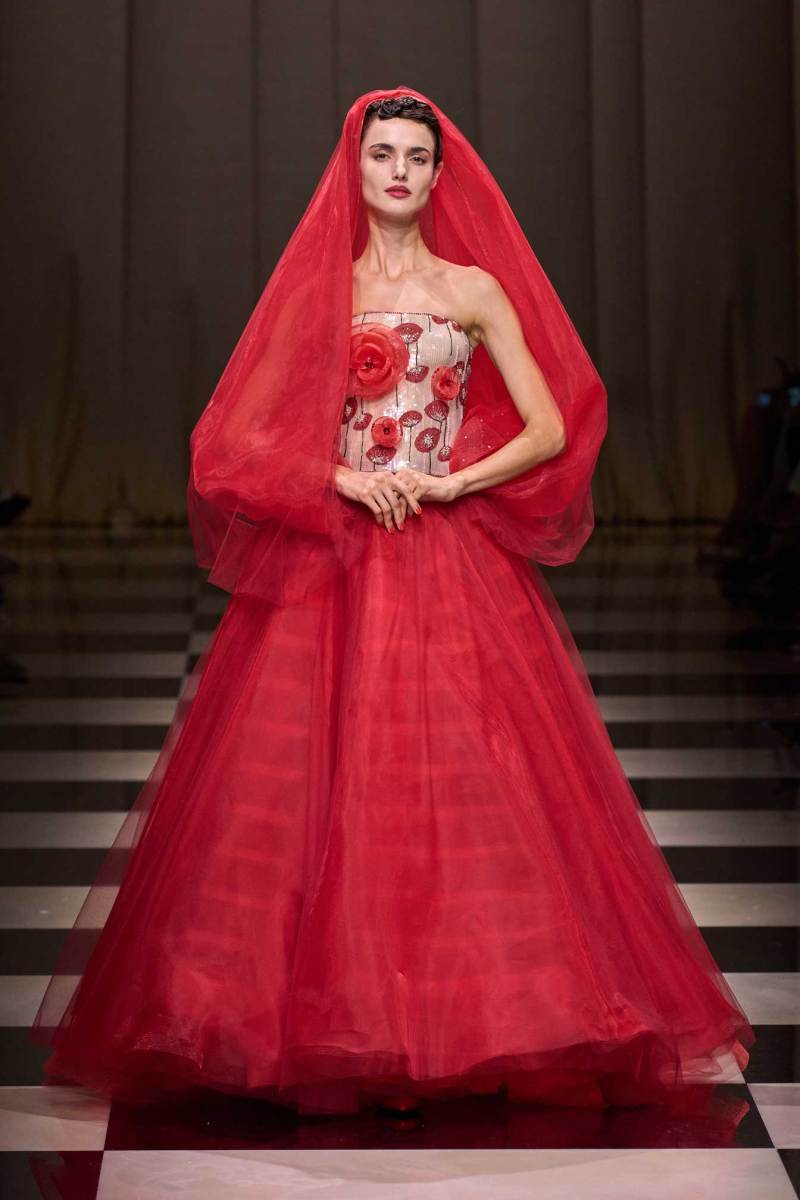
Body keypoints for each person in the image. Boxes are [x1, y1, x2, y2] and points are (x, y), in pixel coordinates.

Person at [28, 87, 754, 1120]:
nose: (400, 171)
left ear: (438, 174)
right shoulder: (319, 292)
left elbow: (550, 426)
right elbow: (230, 441)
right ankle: (326, 1021)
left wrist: (454, 482)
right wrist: (338, 477)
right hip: (333, 559)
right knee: (313, 780)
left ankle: (466, 1018)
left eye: (416, 156)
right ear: (356, 167)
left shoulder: (472, 289)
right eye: (383, 155)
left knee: (460, 775)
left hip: (447, 558)